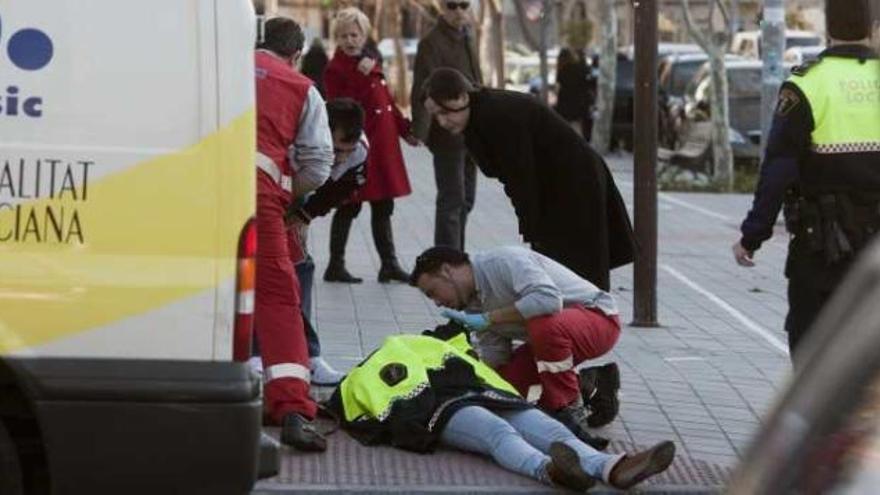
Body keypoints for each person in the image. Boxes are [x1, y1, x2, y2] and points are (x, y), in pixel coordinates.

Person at [327, 328, 675, 491]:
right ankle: (549, 470)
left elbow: (488, 374)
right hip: (439, 406)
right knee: (498, 431)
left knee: (542, 427)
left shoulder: (449, 352)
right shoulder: (397, 349)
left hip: (477, 394)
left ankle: (612, 467)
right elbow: (367, 394)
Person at [732, 0, 880, 363]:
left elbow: (778, 170)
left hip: (822, 249)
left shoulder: (806, 85)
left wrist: (753, 236)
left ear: (828, 28)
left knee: (812, 345)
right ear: (871, 28)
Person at [420, 68, 634, 291]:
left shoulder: (496, 115)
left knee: (576, 270)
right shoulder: (477, 116)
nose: (442, 121)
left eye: (445, 112)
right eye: (435, 115)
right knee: (558, 268)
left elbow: (520, 176)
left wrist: (532, 229)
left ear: (462, 97)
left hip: (574, 185)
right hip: (554, 186)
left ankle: (593, 320)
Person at [409, 245, 624, 439]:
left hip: (599, 319)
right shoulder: (472, 304)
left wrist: (489, 319)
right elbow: (495, 353)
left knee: (542, 325)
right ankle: (591, 386)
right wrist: (468, 379)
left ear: (447, 271)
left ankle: (568, 408)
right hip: (551, 343)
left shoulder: (504, 261)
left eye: (433, 293)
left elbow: (548, 301)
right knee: (505, 391)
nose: (437, 303)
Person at [254, 17, 334, 451]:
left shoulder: (223, 69)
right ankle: (291, 408)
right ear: (296, 54)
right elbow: (319, 163)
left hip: (200, 195)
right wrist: (289, 192)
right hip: (259, 198)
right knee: (278, 297)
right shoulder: (302, 88)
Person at [323, 7, 420, 284]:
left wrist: (406, 131)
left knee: (382, 206)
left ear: (365, 35)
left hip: (383, 147)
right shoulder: (336, 68)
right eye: (343, 36)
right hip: (359, 148)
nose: (349, 40)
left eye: (354, 34)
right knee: (348, 204)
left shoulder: (371, 62)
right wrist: (361, 74)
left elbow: (387, 103)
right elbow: (341, 108)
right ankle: (335, 265)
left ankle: (388, 265)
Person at [289, 97, 370, 385]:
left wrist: (305, 214)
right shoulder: (297, 140)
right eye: (335, 150)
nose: (340, 159)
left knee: (300, 268)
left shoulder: (359, 152)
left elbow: (344, 188)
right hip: (275, 193)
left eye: (346, 152)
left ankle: (308, 356)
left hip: (301, 202)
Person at [411, 0, 482, 250]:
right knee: (452, 200)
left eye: (464, 5)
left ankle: (455, 254)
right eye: (452, 5)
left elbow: (477, 82)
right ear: (442, 7)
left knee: (467, 200)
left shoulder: (468, 35)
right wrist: (420, 130)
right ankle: (447, 260)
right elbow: (422, 86)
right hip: (446, 131)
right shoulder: (431, 42)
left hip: (472, 130)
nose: (459, 11)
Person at [554, 47, 595, 139]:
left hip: (566, 103)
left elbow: (559, 83)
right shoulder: (579, 68)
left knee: (567, 128)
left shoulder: (562, 69)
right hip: (580, 102)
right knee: (580, 128)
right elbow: (587, 78)